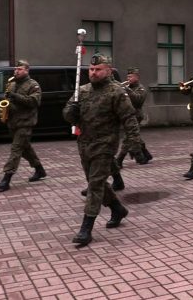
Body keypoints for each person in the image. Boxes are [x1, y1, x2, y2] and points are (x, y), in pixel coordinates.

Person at [63, 54, 141, 246]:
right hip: (84, 144)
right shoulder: (82, 90)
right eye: (91, 69)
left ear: (108, 70)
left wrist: (134, 143)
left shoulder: (116, 92)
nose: (94, 72)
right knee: (93, 181)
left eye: (98, 69)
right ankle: (117, 209)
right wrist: (70, 112)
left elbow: (129, 119)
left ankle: (86, 228)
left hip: (105, 145)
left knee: (95, 184)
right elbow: (67, 114)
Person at [0, 60, 46, 192]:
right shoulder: (11, 84)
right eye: (15, 69)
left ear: (27, 70)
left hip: (25, 122)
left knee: (16, 149)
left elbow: (34, 101)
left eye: (19, 69)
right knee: (25, 148)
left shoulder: (33, 85)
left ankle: (6, 179)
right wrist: (5, 101)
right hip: (12, 122)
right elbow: (8, 99)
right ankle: (40, 170)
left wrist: (15, 96)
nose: (16, 71)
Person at [108, 67, 150, 191]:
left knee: (128, 138)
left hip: (135, 116)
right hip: (126, 115)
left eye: (131, 77)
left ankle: (119, 159)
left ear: (137, 77)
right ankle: (145, 155)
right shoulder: (128, 87)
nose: (128, 79)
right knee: (135, 137)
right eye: (127, 77)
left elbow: (138, 101)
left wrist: (126, 89)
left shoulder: (140, 88)